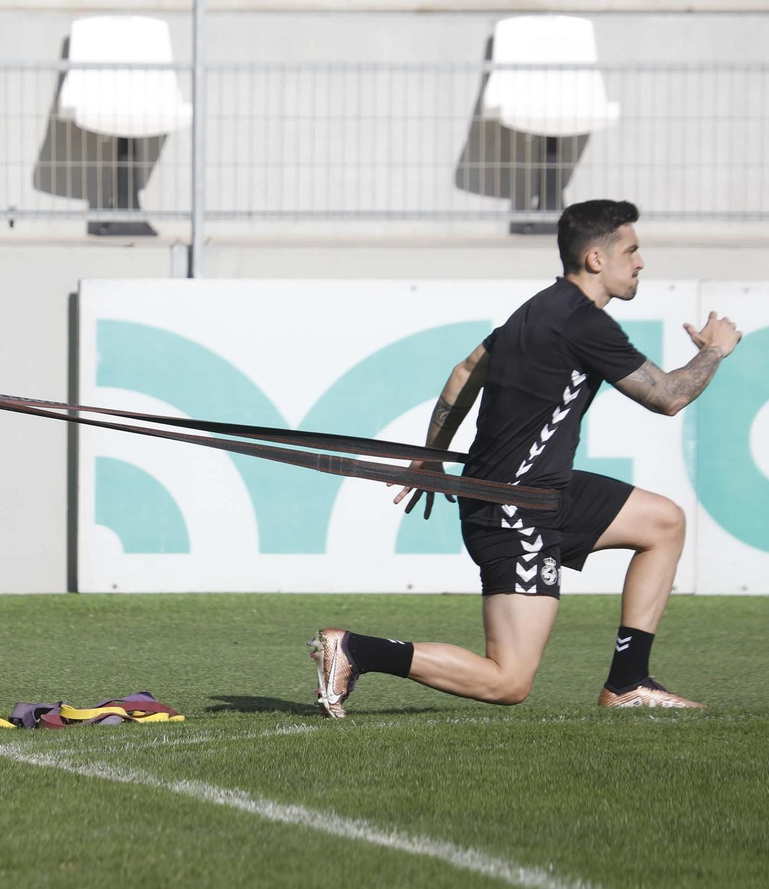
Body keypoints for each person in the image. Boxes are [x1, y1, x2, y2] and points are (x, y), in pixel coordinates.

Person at [310, 199, 742, 717]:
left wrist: (431, 458)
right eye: (631, 250)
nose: (640, 263)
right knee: (507, 681)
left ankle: (628, 681)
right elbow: (669, 396)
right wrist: (714, 350)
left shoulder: (538, 308)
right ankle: (355, 650)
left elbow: (466, 369)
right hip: (513, 508)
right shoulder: (583, 323)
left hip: (544, 490)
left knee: (664, 523)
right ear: (596, 259)